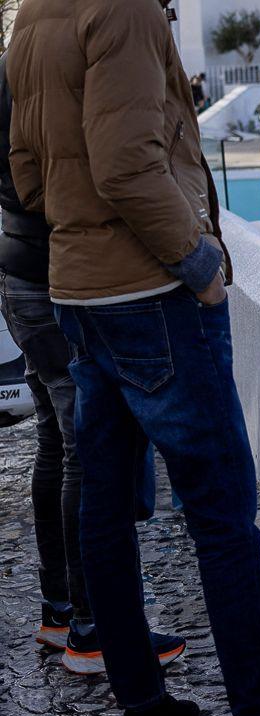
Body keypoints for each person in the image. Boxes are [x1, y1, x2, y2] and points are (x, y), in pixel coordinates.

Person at [8, 0, 260, 716]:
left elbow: (30, 177)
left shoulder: (35, 14)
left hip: (79, 294)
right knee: (222, 515)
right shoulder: (124, 8)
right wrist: (200, 266)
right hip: (151, 297)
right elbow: (124, 163)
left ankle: (144, 711)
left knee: (104, 507)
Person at [0, 50, 187, 676]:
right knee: (85, 448)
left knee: (57, 440)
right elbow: (73, 179)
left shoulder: (16, 62)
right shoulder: (36, 68)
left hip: (20, 274)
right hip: (55, 275)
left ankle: (62, 616)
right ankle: (94, 630)